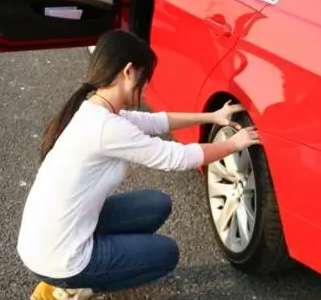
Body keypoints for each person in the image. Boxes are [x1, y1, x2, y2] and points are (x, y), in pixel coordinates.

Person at [17, 30, 260, 300]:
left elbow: (156, 122)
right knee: (166, 254)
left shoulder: (94, 109)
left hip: (46, 240)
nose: (146, 87)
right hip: (58, 257)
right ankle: (72, 287)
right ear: (129, 71)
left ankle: (74, 275)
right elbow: (176, 158)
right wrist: (235, 144)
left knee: (156, 203)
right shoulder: (105, 127)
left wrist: (213, 116)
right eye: (145, 79)